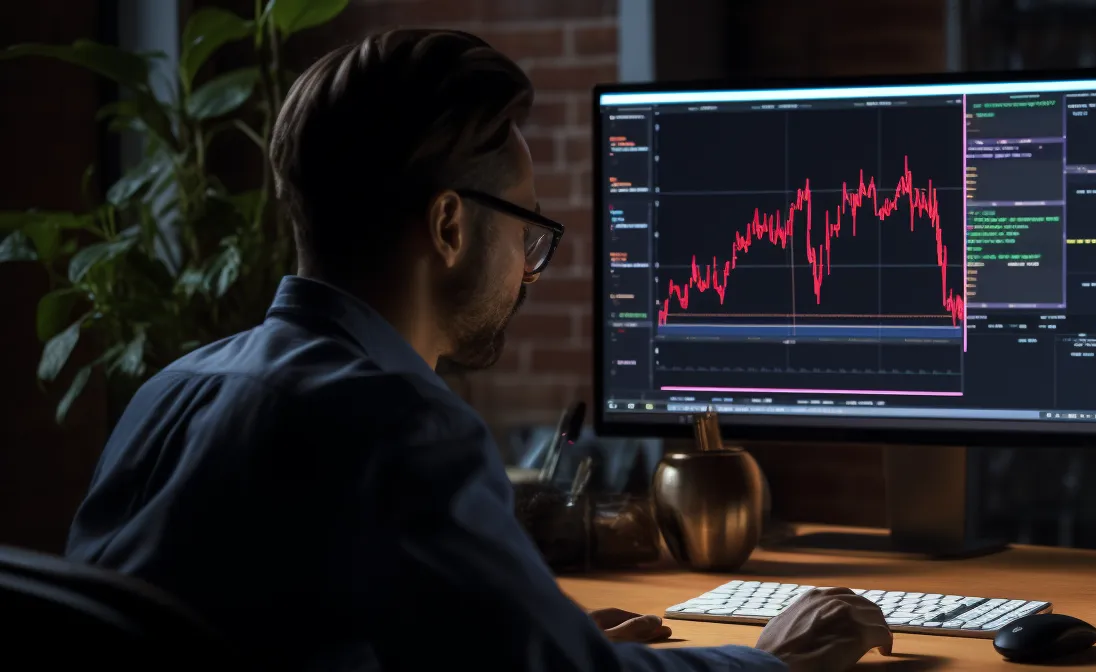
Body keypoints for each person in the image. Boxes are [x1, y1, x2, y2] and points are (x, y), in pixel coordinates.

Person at [65, 29, 891, 672]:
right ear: (451, 226)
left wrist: (518, 628)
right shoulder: (395, 424)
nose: (531, 274)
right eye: (528, 228)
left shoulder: (169, 392)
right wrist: (767, 659)